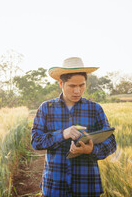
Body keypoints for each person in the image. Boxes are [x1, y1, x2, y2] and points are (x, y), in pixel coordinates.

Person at [31, 57, 117, 197]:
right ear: (61, 84)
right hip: (55, 185)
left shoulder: (95, 109)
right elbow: (35, 141)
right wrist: (63, 134)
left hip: (86, 185)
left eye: (81, 85)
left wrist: (91, 150)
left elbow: (111, 143)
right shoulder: (46, 108)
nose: (77, 91)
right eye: (72, 86)